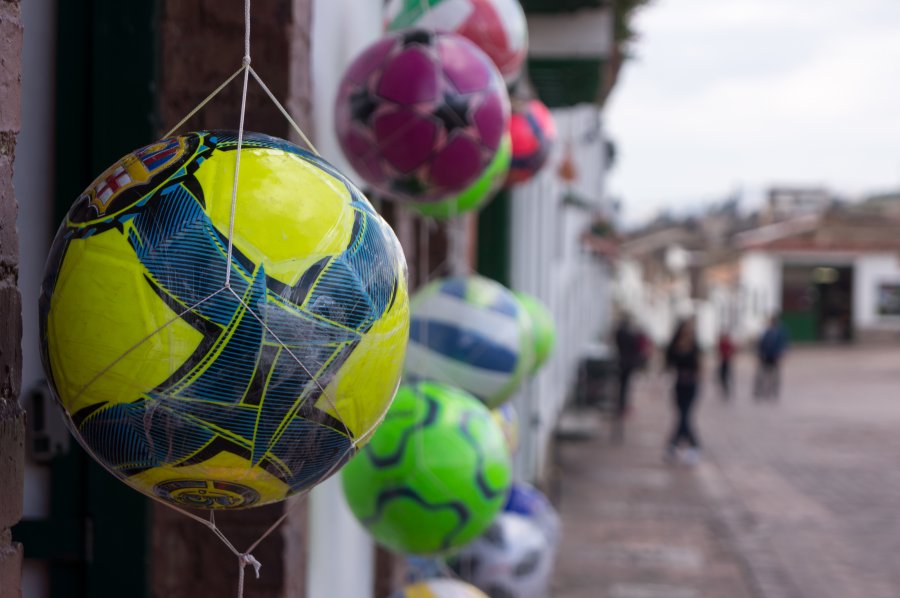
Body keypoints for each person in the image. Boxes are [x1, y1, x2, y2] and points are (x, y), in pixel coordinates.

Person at [664, 318, 701, 464]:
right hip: (679, 384)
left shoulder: (695, 346)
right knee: (682, 416)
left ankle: (678, 446)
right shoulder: (674, 346)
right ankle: (688, 446)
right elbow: (668, 365)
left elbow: (700, 366)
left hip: (691, 384)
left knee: (685, 415)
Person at [754, 314, 789, 400]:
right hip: (766, 356)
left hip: (774, 356)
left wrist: (780, 353)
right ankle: (760, 390)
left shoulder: (780, 332)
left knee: (774, 375)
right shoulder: (767, 331)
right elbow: (761, 343)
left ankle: (774, 391)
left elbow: (783, 344)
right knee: (762, 374)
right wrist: (760, 353)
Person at [614, 314, 642, 418]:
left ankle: (622, 405)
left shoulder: (619, 333)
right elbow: (635, 345)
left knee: (623, 386)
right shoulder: (628, 335)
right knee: (624, 386)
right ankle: (622, 405)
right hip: (627, 363)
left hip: (622, 361)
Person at [716, 330, 736, 399]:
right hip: (723, 361)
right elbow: (719, 350)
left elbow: (732, 350)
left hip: (726, 361)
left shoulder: (727, 342)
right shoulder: (722, 342)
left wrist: (728, 354)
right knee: (722, 376)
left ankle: (727, 389)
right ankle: (725, 389)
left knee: (726, 376)